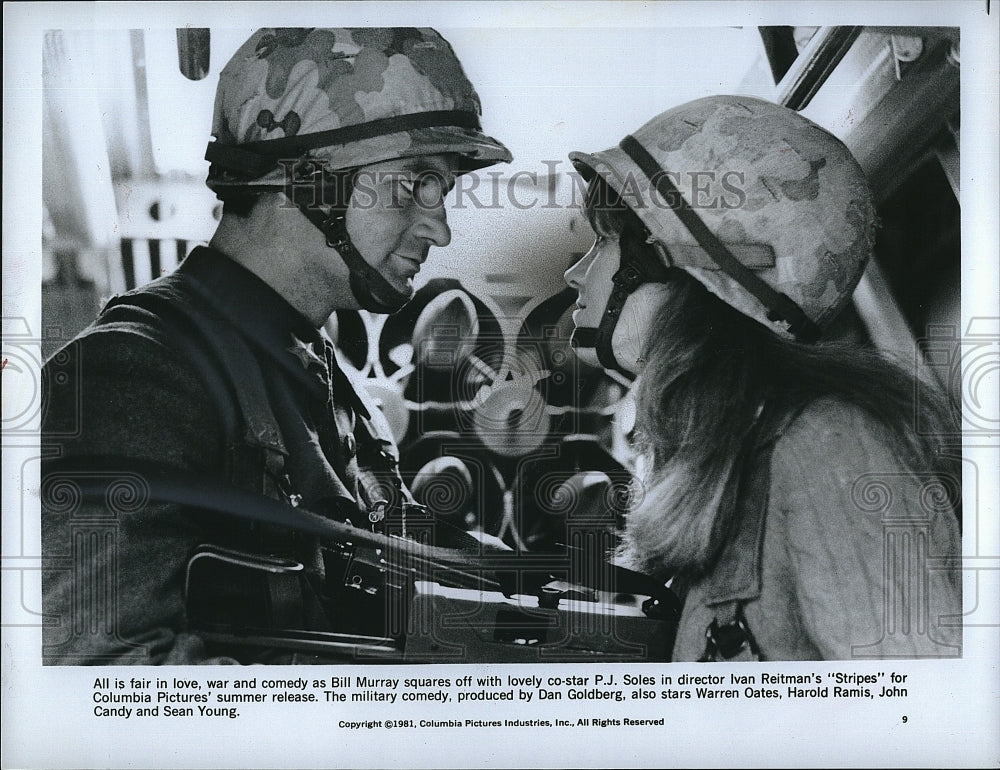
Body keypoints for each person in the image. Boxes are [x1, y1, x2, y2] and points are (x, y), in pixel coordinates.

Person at [40, 27, 511, 664]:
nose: (442, 229)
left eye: (444, 191)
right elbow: (103, 676)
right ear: (310, 183)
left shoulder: (315, 365)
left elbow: (394, 548)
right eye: (414, 182)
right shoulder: (129, 375)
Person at [563, 95, 962, 661]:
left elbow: (913, 721)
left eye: (604, 240)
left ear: (690, 268)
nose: (575, 273)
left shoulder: (830, 446)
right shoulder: (728, 469)